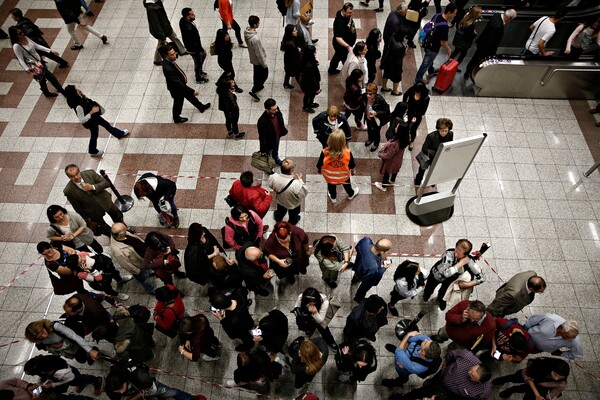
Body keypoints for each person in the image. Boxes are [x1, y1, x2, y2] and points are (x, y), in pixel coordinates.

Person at [63, 85, 129, 157]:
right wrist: (92, 112)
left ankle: (119, 134)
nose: (78, 89)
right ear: (73, 93)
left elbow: (87, 102)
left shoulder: (79, 98)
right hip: (90, 122)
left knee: (106, 125)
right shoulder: (78, 106)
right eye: (76, 89)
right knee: (94, 135)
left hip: (94, 117)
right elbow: (82, 120)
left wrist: (83, 95)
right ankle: (92, 150)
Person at [400, 349, 492, 400]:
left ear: (478, 381)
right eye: (472, 369)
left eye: (472, 376)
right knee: (422, 390)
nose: (469, 372)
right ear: (478, 365)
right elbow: (451, 354)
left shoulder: (483, 392)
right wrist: (445, 366)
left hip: (448, 394)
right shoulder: (466, 356)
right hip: (441, 377)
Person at [63, 164, 123, 236]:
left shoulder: (90, 173)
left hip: (105, 201)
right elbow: (77, 207)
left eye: (77, 174)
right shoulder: (68, 191)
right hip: (92, 211)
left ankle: (123, 228)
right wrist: (86, 219)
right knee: (103, 227)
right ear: (68, 177)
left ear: (79, 171)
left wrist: (93, 187)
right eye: (72, 176)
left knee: (117, 215)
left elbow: (106, 183)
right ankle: (112, 235)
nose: (76, 177)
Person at [422, 239, 481, 310]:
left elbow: (482, 277)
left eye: (459, 254)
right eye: (456, 251)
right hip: (437, 275)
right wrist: (460, 264)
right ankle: (427, 294)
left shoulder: (469, 261)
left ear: (466, 255)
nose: (456, 254)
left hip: (450, 281)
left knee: (444, 292)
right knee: (429, 287)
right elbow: (446, 273)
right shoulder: (448, 254)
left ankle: (441, 299)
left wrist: (469, 284)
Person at [104, 359, 204, 400]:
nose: (121, 392)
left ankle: (190, 398)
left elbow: (153, 389)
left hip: (152, 387)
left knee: (172, 392)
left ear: (124, 379)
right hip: (143, 394)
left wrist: (142, 395)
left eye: (121, 388)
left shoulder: (142, 378)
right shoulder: (112, 388)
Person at [160, 44, 210, 124]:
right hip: (176, 88)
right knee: (178, 103)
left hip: (180, 85)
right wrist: (192, 90)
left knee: (190, 96)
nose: (175, 56)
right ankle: (176, 118)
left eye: (174, 53)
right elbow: (178, 83)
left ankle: (201, 107)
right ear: (166, 56)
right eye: (172, 54)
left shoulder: (170, 61)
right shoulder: (168, 68)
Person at [9, 26, 64, 98]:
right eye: (19, 33)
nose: (22, 34)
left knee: (42, 80)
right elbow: (20, 59)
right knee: (51, 78)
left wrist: (50, 51)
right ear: (15, 36)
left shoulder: (25, 37)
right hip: (34, 66)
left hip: (39, 61)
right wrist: (27, 70)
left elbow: (37, 46)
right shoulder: (16, 46)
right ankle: (62, 91)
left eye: (22, 32)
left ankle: (46, 92)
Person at [465, 9, 517, 80]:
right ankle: (473, 75)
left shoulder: (497, 15)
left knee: (474, 58)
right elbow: (491, 41)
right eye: (512, 19)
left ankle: (467, 72)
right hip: (485, 48)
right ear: (508, 18)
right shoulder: (498, 26)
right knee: (478, 61)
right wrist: (490, 53)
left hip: (481, 42)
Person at [414, 3, 457, 84]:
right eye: (454, 13)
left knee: (430, 60)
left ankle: (431, 70)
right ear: (449, 13)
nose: (455, 15)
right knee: (425, 63)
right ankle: (418, 78)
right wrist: (448, 49)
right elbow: (443, 42)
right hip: (433, 47)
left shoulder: (438, 15)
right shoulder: (444, 27)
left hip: (428, 41)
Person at [25, 319, 100, 364]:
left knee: (86, 353)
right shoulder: (39, 342)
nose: (44, 336)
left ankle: (94, 350)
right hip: (68, 351)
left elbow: (74, 336)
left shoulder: (55, 326)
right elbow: (46, 348)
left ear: (43, 326)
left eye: (42, 332)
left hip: (74, 344)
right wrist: (52, 347)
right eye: (40, 337)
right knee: (82, 359)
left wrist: (90, 350)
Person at [109, 222, 156, 294]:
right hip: (139, 266)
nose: (127, 230)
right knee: (143, 279)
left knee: (147, 269)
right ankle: (151, 289)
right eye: (125, 230)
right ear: (120, 234)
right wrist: (137, 271)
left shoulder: (121, 235)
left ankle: (149, 272)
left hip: (143, 259)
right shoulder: (118, 251)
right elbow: (126, 265)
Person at [23, 354, 103, 396]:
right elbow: (43, 375)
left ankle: (97, 380)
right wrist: (40, 382)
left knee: (80, 379)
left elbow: (71, 378)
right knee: (77, 381)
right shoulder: (44, 363)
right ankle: (81, 383)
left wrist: (53, 385)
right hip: (67, 374)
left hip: (71, 376)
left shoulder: (59, 372)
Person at [492, 357, 569, 399]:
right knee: (514, 378)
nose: (556, 379)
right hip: (526, 375)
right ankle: (503, 379)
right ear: (551, 368)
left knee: (520, 389)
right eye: (555, 374)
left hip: (537, 386)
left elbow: (553, 394)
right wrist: (537, 395)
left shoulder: (561, 384)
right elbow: (529, 377)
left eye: (560, 377)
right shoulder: (541, 364)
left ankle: (510, 390)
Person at [375, 102, 411, 192]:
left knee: (386, 173)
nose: (395, 127)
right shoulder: (405, 140)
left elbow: (388, 156)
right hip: (398, 161)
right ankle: (392, 180)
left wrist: (380, 154)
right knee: (395, 171)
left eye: (397, 127)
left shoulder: (394, 145)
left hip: (390, 163)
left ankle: (383, 186)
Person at [65, 252, 130, 301]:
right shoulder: (80, 273)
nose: (83, 258)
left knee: (113, 272)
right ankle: (115, 295)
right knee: (107, 288)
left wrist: (90, 261)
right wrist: (91, 270)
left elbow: (95, 256)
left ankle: (120, 280)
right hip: (99, 281)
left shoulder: (81, 254)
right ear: (77, 266)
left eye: (80, 257)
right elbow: (98, 279)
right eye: (81, 261)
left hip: (102, 268)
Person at [317, 129, 359, 204]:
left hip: (329, 176)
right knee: (347, 185)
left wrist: (319, 170)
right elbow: (351, 164)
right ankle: (351, 194)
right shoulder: (347, 153)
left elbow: (319, 164)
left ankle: (333, 198)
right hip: (344, 176)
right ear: (343, 141)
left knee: (331, 187)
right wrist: (353, 170)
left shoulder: (324, 152)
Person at [263, 220, 310, 286]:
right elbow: (267, 252)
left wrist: (307, 250)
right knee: (289, 273)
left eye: (286, 239)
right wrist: (279, 261)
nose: (285, 242)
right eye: (281, 241)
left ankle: (302, 269)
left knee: (302, 266)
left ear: (290, 233)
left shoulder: (298, 232)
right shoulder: (271, 240)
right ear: (276, 234)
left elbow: (305, 241)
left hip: (299, 256)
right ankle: (291, 278)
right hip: (285, 262)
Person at [144, 0, 186, 65]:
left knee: (174, 37)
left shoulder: (157, 2)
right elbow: (156, 24)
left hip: (165, 26)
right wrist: (162, 36)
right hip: (160, 30)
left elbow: (163, 14)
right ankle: (157, 60)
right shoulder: (151, 8)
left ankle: (182, 50)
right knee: (161, 43)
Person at [414, 117, 454, 186]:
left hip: (439, 157)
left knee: (435, 171)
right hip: (430, 157)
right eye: (442, 130)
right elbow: (424, 148)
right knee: (422, 170)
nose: (444, 133)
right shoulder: (431, 136)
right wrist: (436, 153)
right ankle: (418, 180)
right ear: (438, 129)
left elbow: (450, 144)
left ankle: (432, 182)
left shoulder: (450, 134)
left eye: (446, 131)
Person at [352, 237, 393, 303]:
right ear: (382, 252)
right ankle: (358, 298)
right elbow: (373, 281)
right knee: (363, 289)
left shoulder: (366, 241)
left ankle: (354, 280)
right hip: (366, 276)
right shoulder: (374, 267)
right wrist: (384, 268)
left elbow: (357, 247)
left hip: (358, 267)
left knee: (357, 276)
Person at [267, 159, 308, 225]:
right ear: (291, 170)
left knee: (280, 211)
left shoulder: (273, 177)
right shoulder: (296, 184)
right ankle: (292, 222)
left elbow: (270, 185)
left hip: (280, 200)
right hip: (293, 204)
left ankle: (278, 218)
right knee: (294, 215)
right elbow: (304, 193)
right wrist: (300, 180)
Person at [179, 8, 208, 84]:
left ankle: (200, 71)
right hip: (194, 49)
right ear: (187, 17)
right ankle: (198, 78)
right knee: (198, 62)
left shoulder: (182, 20)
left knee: (201, 58)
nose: (194, 15)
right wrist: (201, 50)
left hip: (191, 46)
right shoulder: (189, 28)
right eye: (192, 14)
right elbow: (195, 42)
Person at [450, 6, 482, 72]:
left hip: (459, 40)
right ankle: (454, 67)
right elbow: (468, 36)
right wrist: (474, 34)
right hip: (464, 43)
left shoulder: (465, 18)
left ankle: (449, 63)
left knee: (455, 52)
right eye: (479, 13)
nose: (480, 14)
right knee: (463, 55)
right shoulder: (471, 24)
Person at [0, 377, 92, 400]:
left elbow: (15, 381)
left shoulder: (1, 385)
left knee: (62, 398)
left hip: (36, 392)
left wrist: (27, 386)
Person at [244, 15, 268, 102]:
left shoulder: (246, 32)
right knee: (264, 74)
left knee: (256, 74)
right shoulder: (255, 39)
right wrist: (264, 63)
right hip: (258, 60)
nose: (259, 24)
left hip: (253, 58)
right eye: (258, 23)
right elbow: (259, 53)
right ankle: (254, 90)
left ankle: (258, 86)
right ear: (254, 25)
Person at [328, 3, 357, 74]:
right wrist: (348, 47)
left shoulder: (341, 12)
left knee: (337, 56)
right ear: (343, 11)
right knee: (345, 59)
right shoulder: (340, 23)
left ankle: (332, 69)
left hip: (346, 42)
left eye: (351, 12)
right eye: (349, 12)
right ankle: (348, 71)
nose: (351, 14)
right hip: (342, 45)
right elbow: (338, 38)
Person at [258, 98, 288, 165]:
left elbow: (280, 118)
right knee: (268, 155)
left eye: (276, 108)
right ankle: (269, 166)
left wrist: (282, 129)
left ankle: (276, 160)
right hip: (269, 142)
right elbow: (262, 137)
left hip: (277, 137)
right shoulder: (262, 122)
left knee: (276, 150)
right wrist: (262, 150)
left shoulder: (276, 110)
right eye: (274, 109)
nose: (277, 110)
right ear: (267, 110)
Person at [362, 82, 390, 152]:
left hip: (377, 120)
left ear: (375, 93)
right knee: (369, 129)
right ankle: (370, 139)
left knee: (376, 132)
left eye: (370, 94)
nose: (368, 95)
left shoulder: (380, 99)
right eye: (367, 93)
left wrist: (376, 113)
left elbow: (387, 111)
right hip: (368, 118)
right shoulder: (364, 96)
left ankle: (376, 143)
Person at [381, 27, 408, 96]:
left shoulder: (393, 35)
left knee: (386, 73)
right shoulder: (400, 46)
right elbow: (402, 55)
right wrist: (405, 46)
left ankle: (384, 87)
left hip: (388, 59)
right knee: (397, 77)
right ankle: (395, 91)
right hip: (396, 63)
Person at [216, 76, 245, 140]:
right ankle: (237, 134)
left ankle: (230, 132)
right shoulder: (229, 94)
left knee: (228, 119)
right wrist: (237, 109)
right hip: (232, 110)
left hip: (225, 108)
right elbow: (233, 103)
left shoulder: (221, 90)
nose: (234, 83)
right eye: (232, 83)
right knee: (234, 121)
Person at [402, 82, 430, 150]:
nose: (416, 94)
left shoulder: (426, 98)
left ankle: (411, 141)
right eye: (416, 92)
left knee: (413, 129)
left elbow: (423, 111)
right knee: (404, 125)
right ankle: (403, 138)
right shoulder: (412, 90)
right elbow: (405, 95)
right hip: (408, 112)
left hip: (417, 115)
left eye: (418, 92)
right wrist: (405, 105)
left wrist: (415, 116)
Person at [299, 45, 321, 113]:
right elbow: (312, 79)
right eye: (314, 52)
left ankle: (310, 103)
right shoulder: (309, 66)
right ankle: (306, 107)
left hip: (307, 82)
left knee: (311, 95)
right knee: (308, 95)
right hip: (309, 84)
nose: (315, 53)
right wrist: (317, 88)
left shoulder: (305, 57)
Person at [280, 24, 301, 89]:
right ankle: (303, 87)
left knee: (288, 72)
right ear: (290, 33)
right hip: (292, 62)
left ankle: (286, 83)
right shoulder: (290, 44)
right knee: (297, 75)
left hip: (288, 60)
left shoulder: (287, 38)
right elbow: (295, 55)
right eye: (294, 31)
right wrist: (298, 51)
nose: (296, 31)